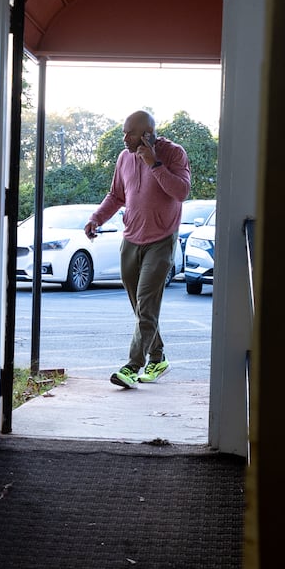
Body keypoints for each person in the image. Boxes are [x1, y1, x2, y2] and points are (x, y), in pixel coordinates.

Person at [85, 110, 191, 389]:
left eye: (129, 133)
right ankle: (158, 357)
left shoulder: (173, 154)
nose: (124, 138)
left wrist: (155, 164)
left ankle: (132, 366)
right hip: (131, 240)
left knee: (146, 303)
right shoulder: (123, 158)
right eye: (123, 132)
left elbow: (181, 192)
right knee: (142, 307)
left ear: (148, 133)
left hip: (161, 239)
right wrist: (96, 218)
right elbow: (116, 195)